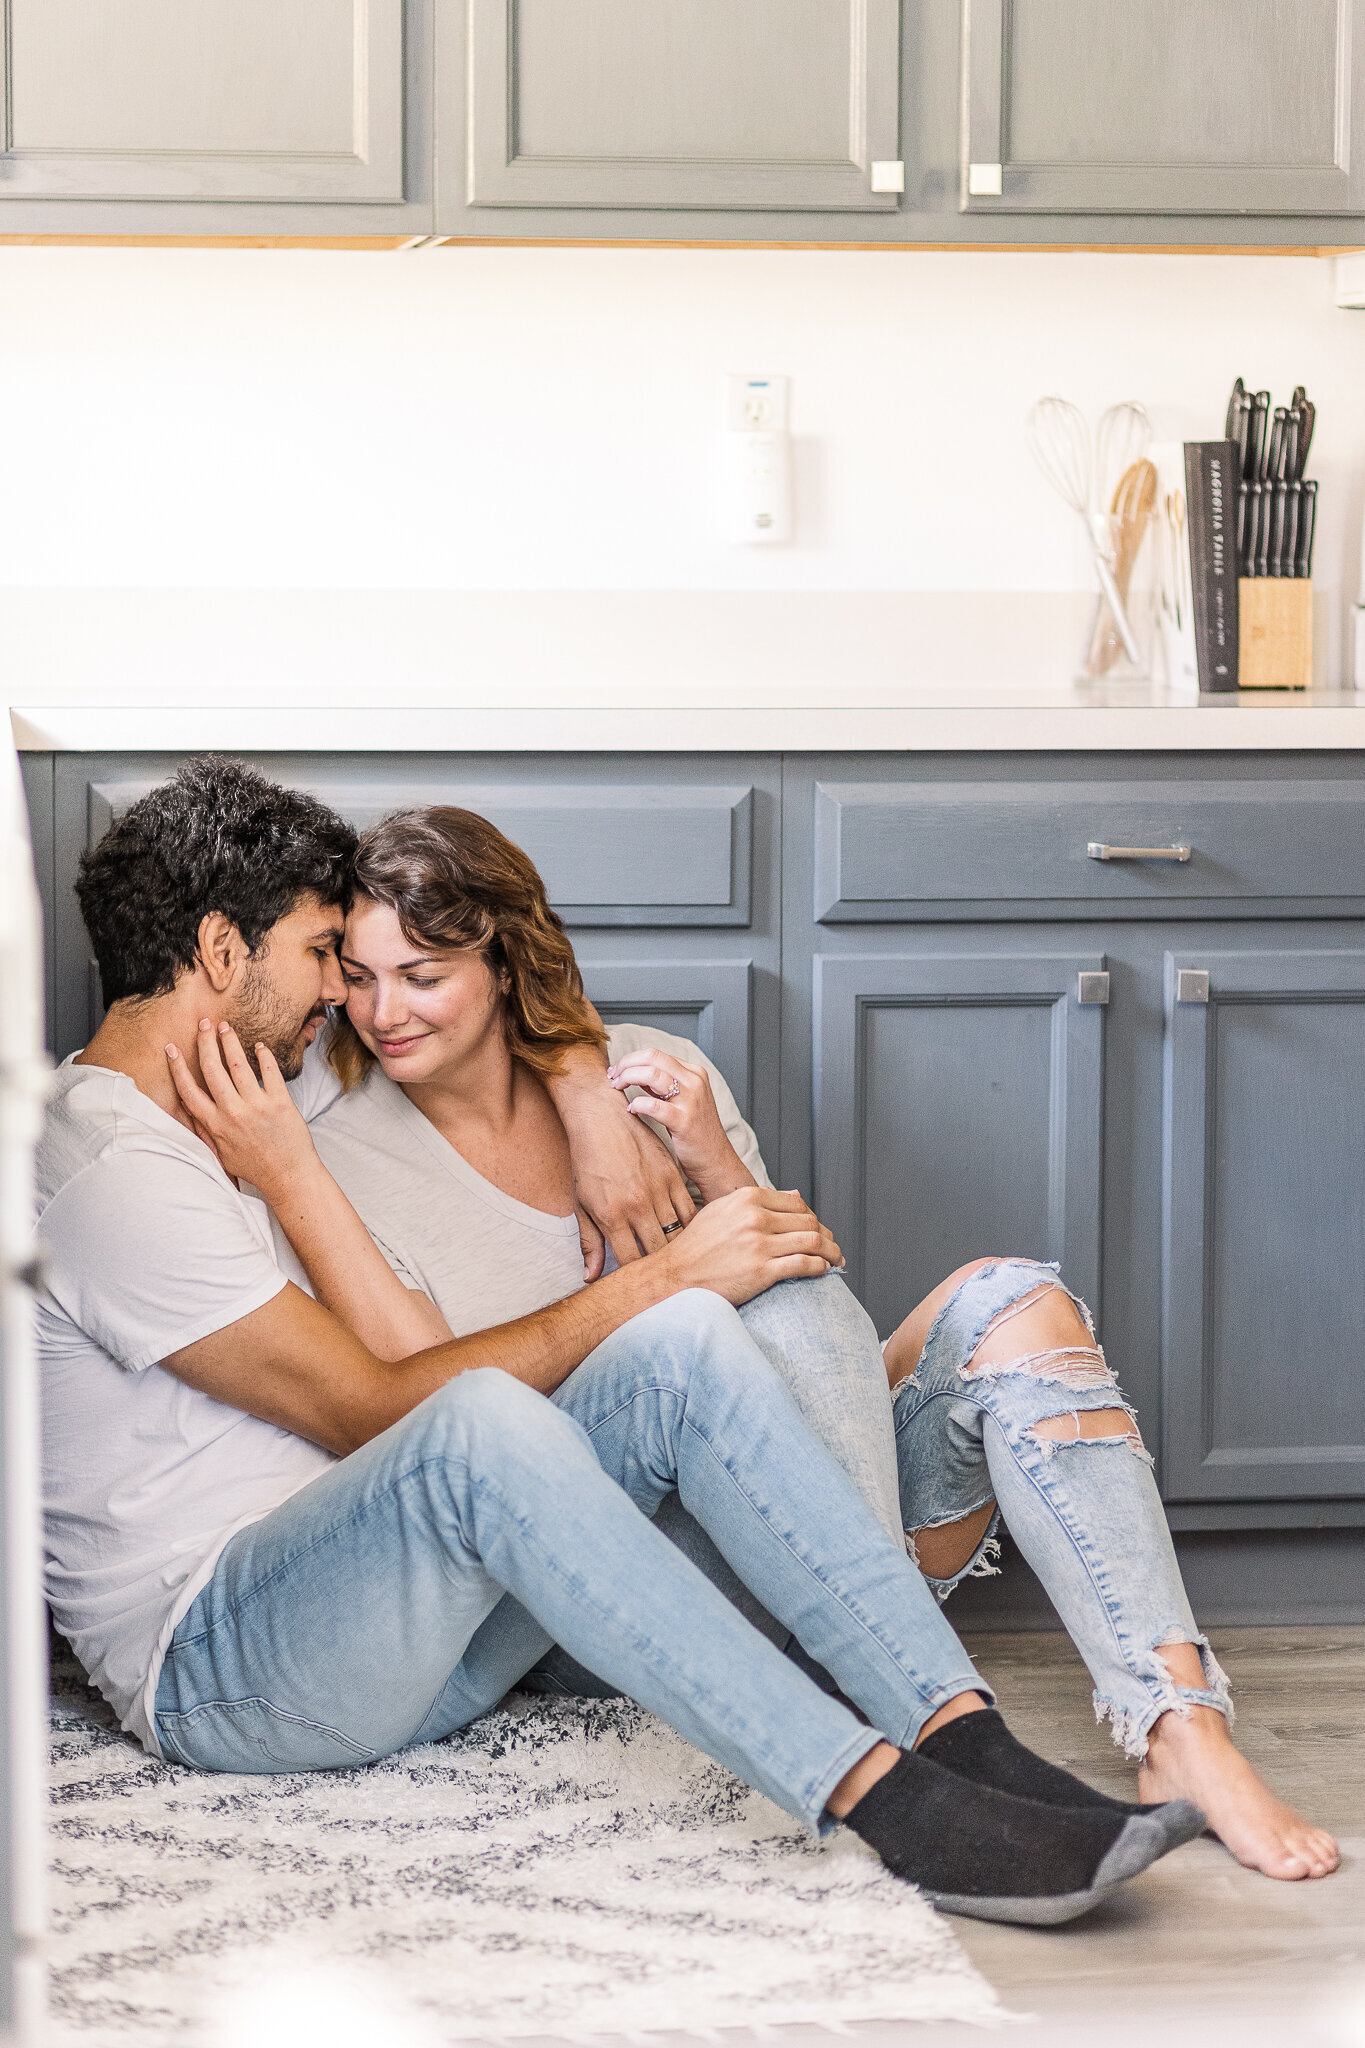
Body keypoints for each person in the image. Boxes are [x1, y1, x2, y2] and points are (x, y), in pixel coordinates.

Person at [35, 757, 1209, 1931]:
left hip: (399, 1622)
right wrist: (652, 1268)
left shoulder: (223, 1112)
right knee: (494, 1414)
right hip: (232, 1667)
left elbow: (520, 993)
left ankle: (965, 1734)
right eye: (316, 956)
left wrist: (586, 1089)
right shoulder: (109, 1165)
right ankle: (891, 1804)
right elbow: (370, 1410)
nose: (341, 996)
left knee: (687, 1338)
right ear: (223, 952)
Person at [244, 798, 1332, 1889]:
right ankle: (906, 1696)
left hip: (805, 1518)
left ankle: (1181, 1730)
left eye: (423, 976)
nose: (383, 1011)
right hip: (605, 1581)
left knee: (1005, 1299)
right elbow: (445, 1422)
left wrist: (718, 1169)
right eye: (361, 974)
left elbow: (810, 1335)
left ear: (506, 963)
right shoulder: (343, 1147)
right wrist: (678, 1268)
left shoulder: (645, 1074)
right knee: (720, 1309)